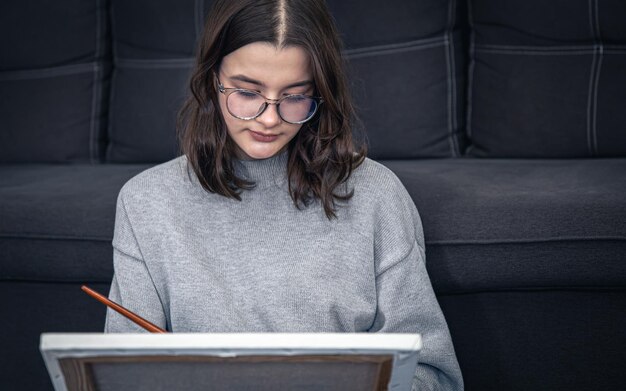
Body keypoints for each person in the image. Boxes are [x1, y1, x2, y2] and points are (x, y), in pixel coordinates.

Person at [104, 0, 463, 389]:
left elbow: (433, 377)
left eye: (295, 96)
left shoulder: (377, 194)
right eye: (247, 92)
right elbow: (123, 378)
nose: (270, 118)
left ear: (321, 94)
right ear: (212, 80)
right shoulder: (146, 201)